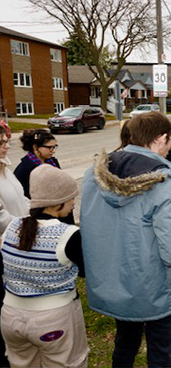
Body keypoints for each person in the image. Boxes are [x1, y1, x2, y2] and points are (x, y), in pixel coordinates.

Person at [80, 112, 171, 367]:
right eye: (169, 142)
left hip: (116, 285)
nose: (170, 148)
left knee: (125, 344)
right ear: (160, 139)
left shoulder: (94, 175)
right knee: (160, 353)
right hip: (156, 290)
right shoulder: (164, 183)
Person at [1, 164, 87, 368]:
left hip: (10, 317)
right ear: (58, 202)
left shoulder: (13, 226)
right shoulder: (68, 235)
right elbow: (86, 271)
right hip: (53, 320)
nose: (74, 202)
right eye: (71, 197)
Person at [0, 124, 28, 368]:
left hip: (19, 241)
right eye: (0, 143)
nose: (6, 146)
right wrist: (26, 225)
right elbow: (0, 216)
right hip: (5, 244)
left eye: (5, 141)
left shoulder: (7, 169)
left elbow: (22, 198)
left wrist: (36, 212)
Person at [13, 129, 60, 198]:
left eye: (54, 147)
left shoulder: (53, 163)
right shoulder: (24, 170)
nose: (54, 151)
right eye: (50, 147)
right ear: (35, 147)